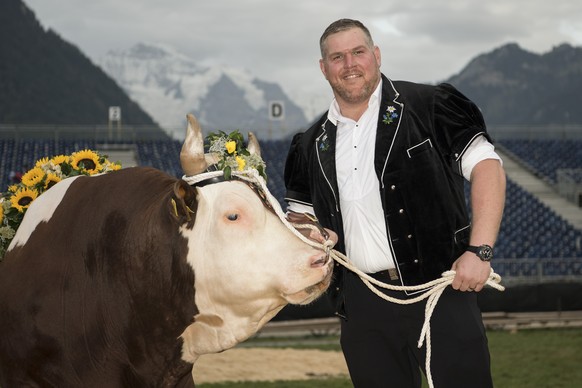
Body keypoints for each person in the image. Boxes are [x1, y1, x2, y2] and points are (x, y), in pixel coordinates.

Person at [284, 18, 506, 388]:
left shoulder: (429, 105)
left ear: (376, 55)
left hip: (441, 292)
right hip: (362, 304)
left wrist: (480, 251)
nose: (349, 64)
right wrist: (316, 233)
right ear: (324, 69)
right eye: (337, 57)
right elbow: (300, 219)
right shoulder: (310, 143)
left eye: (358, 52)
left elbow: (488, 168)